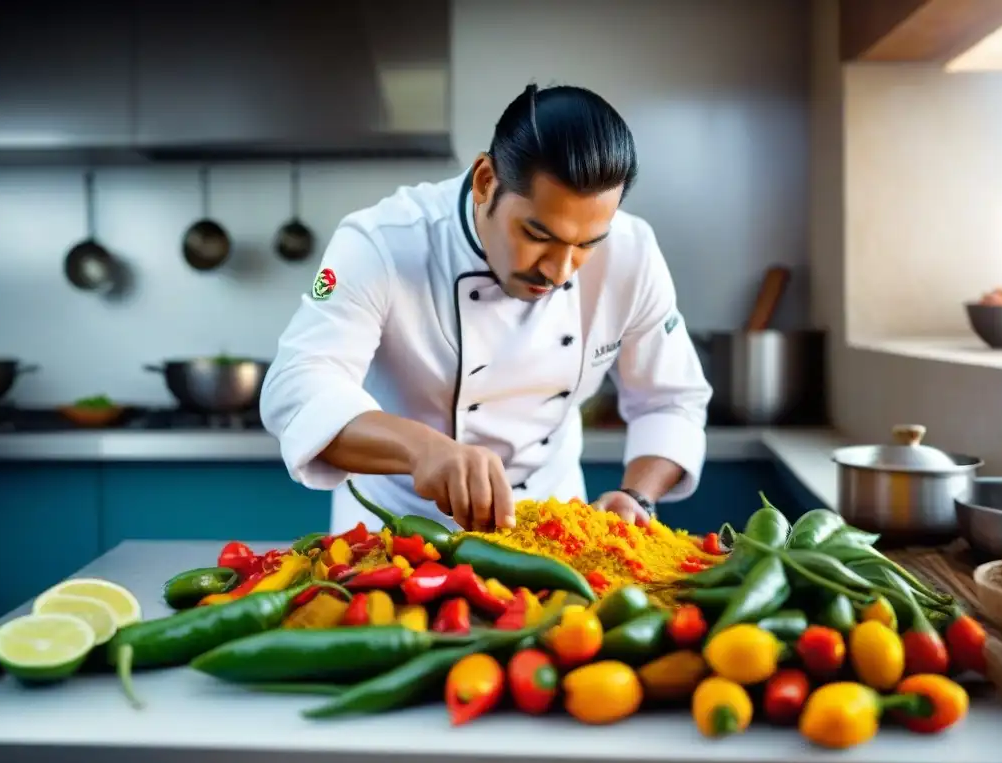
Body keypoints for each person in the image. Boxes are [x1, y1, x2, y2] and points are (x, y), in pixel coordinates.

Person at [260, 83, 712, 535]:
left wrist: (637, 497)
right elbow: (297, 386)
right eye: (537, 235)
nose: (559, 271)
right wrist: (422, 450)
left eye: (586, 245)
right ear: (484, 181)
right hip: (395, 532)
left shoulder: (632, 252)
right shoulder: (381, 241)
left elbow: (671, 401)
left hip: (553, 536)